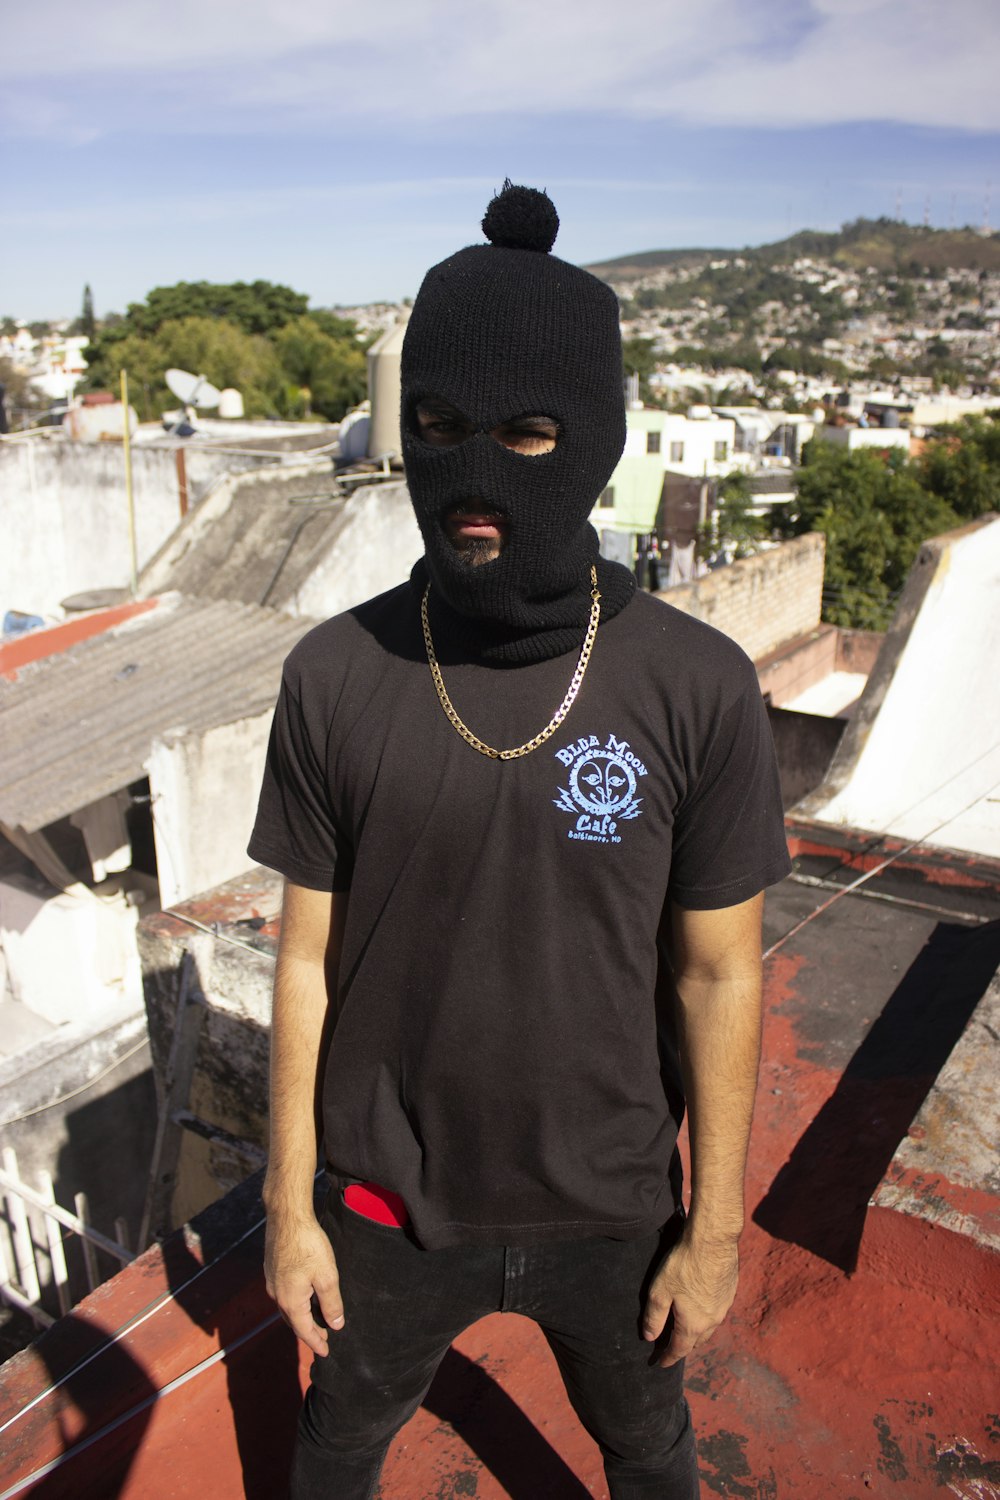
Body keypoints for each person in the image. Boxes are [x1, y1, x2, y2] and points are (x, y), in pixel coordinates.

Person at [248, 181, 790, 1499]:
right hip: (383, 1207)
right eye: (436, 429)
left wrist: (713, 1228)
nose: (476, 478)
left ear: (594, 439)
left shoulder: (696, 685)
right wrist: (286, 1203)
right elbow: (306, 962)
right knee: (338, 1448)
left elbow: (721, 974)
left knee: (650, 1454)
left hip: (612, 1204)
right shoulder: (338, 672)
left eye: (529, 435)